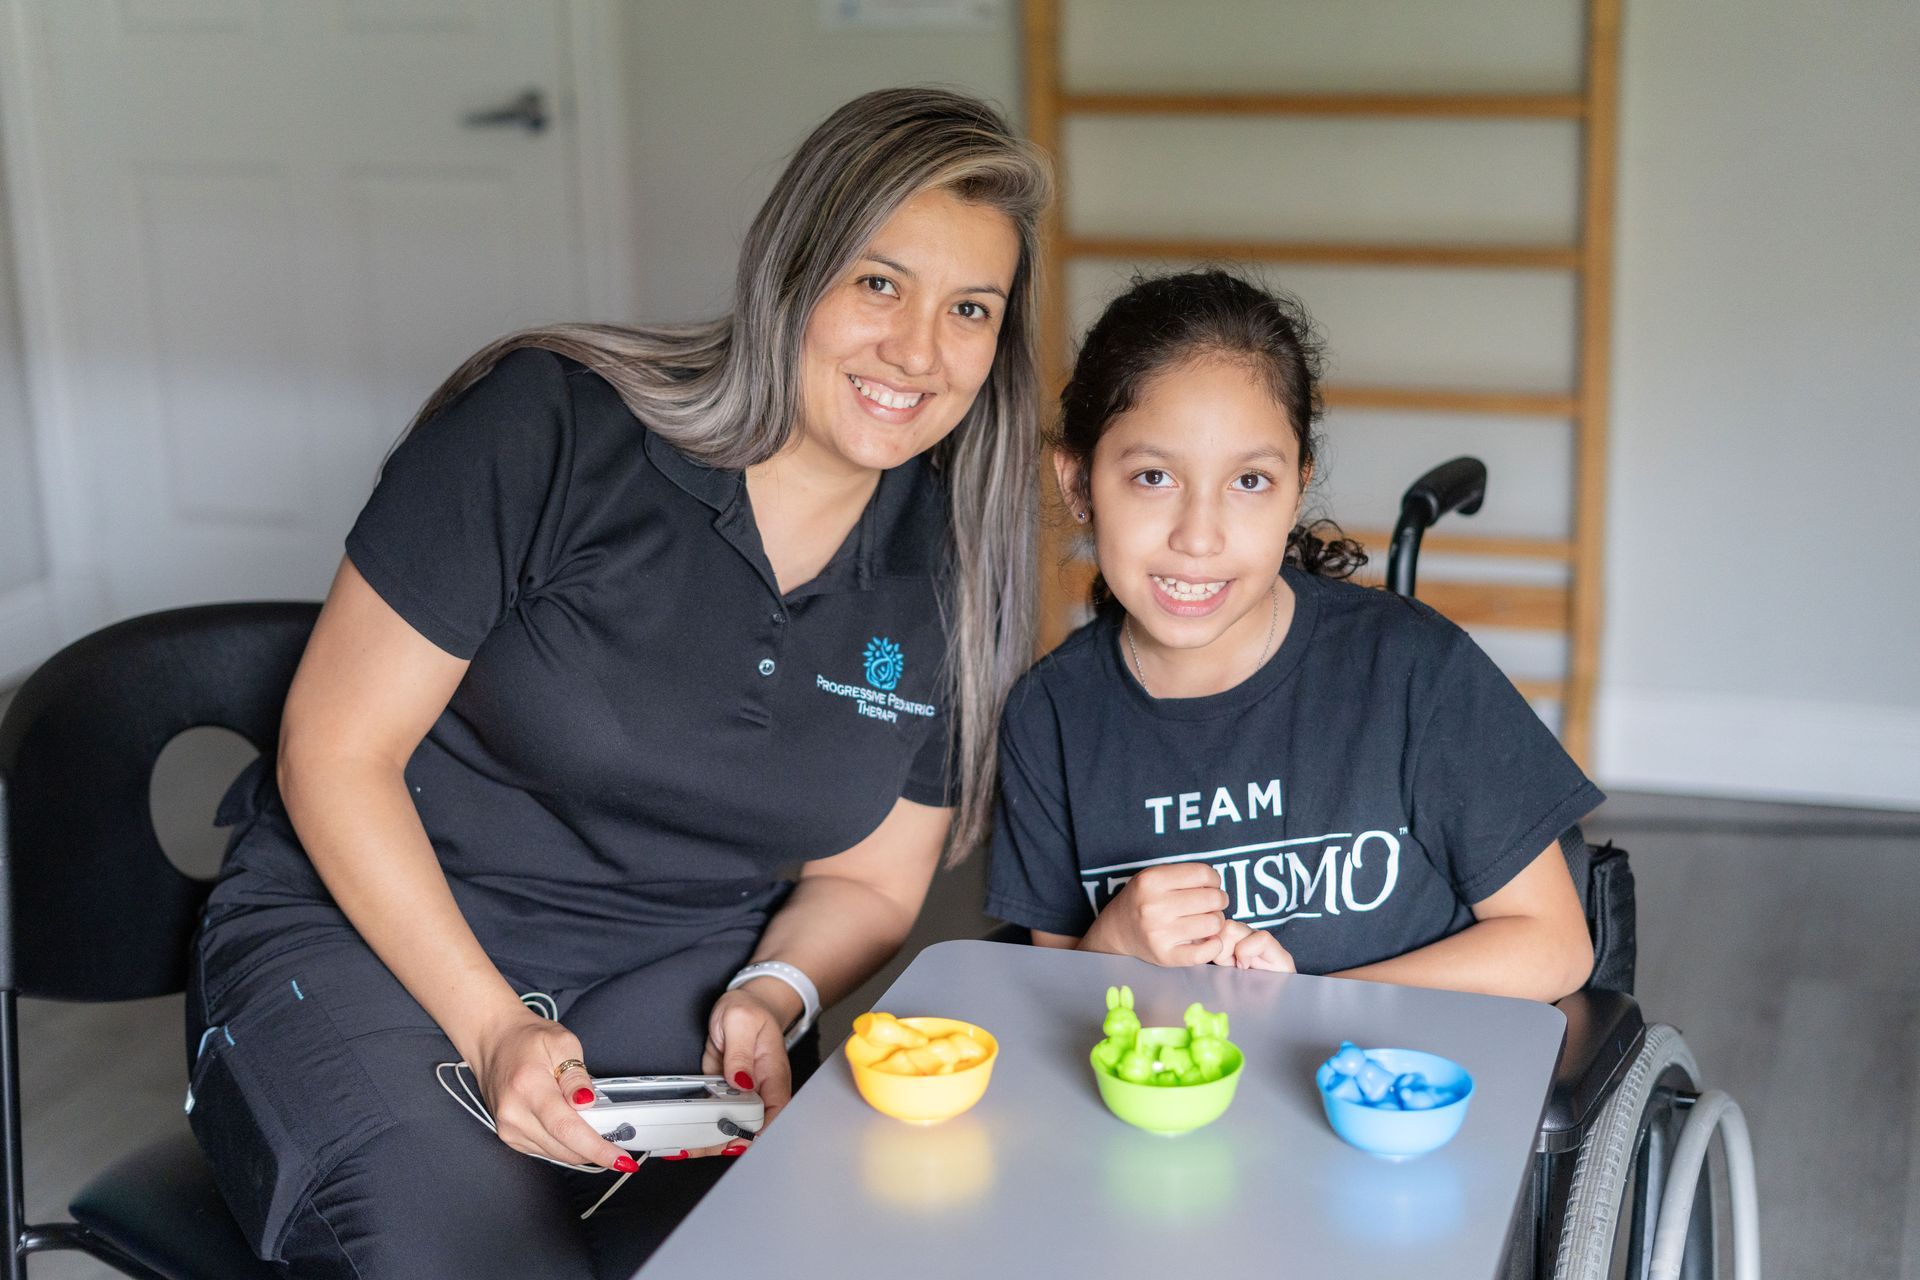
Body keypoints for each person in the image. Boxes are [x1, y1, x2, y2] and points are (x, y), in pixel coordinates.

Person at [186, 88, 1050, 1279]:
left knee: (825, 1246)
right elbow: (335, 752)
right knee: (467, 1249)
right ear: (791, 271)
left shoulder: (949, 564)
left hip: (674, 981)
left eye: (970, 309)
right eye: (877, 283)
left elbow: (869, 876)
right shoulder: (548, 425)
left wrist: (773, 991)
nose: (918, 349)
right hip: (370, 942)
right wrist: (494, 1026)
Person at [986, 270, 1600, 1001]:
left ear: (1298, 489)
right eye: (1154, 477)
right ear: (1079, 484)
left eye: (1249, 483)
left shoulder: (1412, 670)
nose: (1200, 537)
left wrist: (1307, 1013)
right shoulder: (1050, 717)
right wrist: (1113, 944)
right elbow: (1056, 1009)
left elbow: (1554, 945)